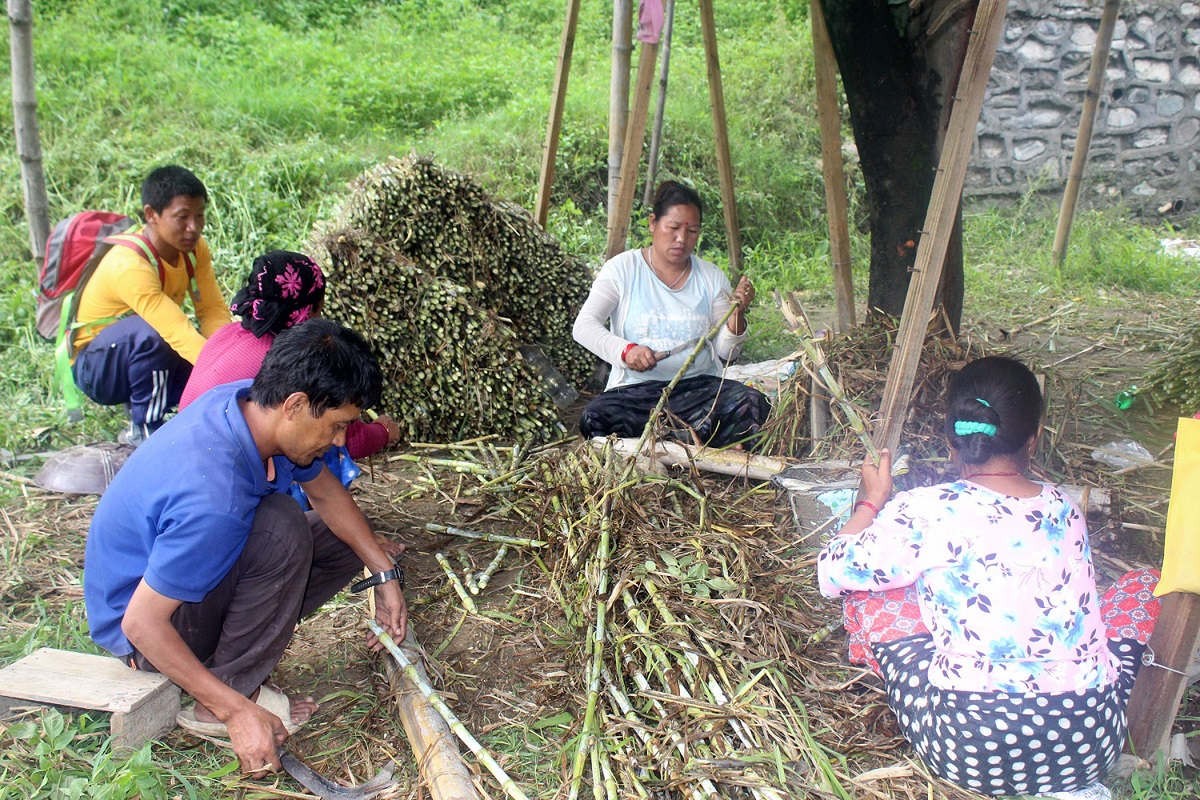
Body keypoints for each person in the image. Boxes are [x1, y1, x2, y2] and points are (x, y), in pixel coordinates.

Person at [817, 356, 1161, 799]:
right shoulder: (1064, 507)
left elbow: (831, 570)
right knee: (1143, 584)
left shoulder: (925, 509)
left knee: (871, 592)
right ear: (1033, 439)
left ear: (950, 438)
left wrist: (872, 502)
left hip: (971, 750)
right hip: (1089, 743)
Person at [83, 319, 407, 778]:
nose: (339, 442)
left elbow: (326, 492)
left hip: (174, 591)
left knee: (343, 537)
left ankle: (227, 669)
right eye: (337, 427)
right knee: (280, 527)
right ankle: (223, 697)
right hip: (142, 633)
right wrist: (235, 711)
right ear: (296, 404)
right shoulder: (215, 497)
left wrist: (383, 573)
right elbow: (140, 623)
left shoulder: (249, 405)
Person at [572, 181, 770, 449]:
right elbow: (584, 326)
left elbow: (727, 354)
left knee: (754, 404)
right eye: (674, 228)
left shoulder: (711, 277)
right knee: (594, 418)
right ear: (653, 223)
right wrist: (626, 350)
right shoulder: (622, 269)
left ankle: (665, 442)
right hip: (636, 393)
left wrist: (737, 314)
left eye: (692, 231)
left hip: (700, 391)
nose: (682, 239)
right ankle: (697, 441)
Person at [180, 250, 401, 459]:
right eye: (318, 310)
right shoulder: (285, 361)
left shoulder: (226, 333)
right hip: (216, 464)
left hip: (182, 446)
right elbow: (330, 432)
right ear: (305, 311)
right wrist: (383, 431)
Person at [71, 165, 231, 446]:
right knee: (153, 335)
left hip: (146, 347)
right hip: (96, 368)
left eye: (200, 215)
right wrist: (225, 371)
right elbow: (175, 329)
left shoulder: (194, 250)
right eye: (182, 217)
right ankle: (144, 430)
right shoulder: (130, 264)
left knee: (210, 385)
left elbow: (212, 310)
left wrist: (229, 357)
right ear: (151, 215)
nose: (193, 227)